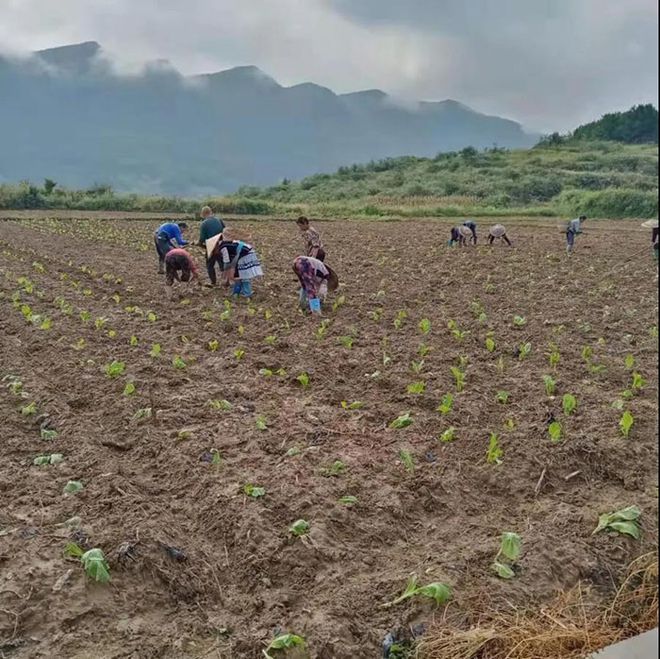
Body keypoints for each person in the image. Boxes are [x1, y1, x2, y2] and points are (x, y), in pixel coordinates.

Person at [198, 206, 226, 286]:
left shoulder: (204, 224)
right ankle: (226, 281)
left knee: (210, 265)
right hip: (221, 245)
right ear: (210, 212)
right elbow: (225, 231)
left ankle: (213, 282)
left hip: (211, 246)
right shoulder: (219, 220)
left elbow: (202, 239)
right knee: (222, 264)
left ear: (203, 214)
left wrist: (199, 243)